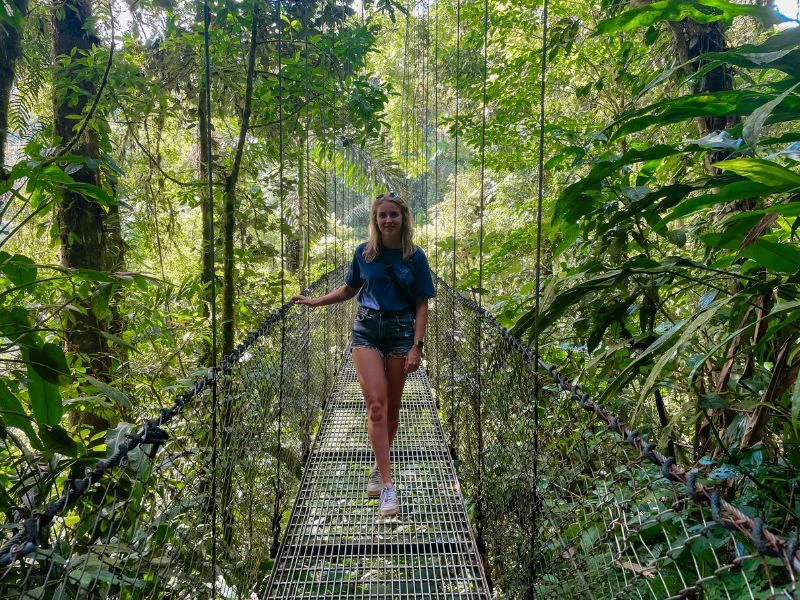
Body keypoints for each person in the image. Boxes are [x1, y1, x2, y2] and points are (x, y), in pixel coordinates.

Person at [293, 192, 435, 517]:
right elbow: (349, 289)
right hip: (367, 330)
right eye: (382, 215)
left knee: (393, 410)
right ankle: (387, 485)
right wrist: (315, 301)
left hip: (401, 332)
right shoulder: (364, 253)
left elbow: (422, 305)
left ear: (403, 219)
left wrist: (417, 346)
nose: (387, 220)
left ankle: (377, 465)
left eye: (393, 215)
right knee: (376, 407)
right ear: (375, 219)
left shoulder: (416, 257)